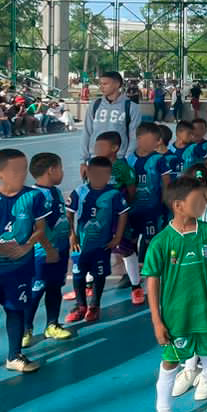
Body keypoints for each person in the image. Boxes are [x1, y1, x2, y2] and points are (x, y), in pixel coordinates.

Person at [142, 175, 207, 412]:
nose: (203, 205)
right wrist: (157, 321)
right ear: (178, 205)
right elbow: (152, 282)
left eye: (204, 200)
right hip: (175, 318)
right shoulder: (161, 242)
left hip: (206, 313)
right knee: (170, 363)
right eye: (197, 201)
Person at [0, 148, 49, 374]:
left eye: (24, 169)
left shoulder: (35, 197)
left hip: (20, 268)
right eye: (15, 170)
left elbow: (40, 229)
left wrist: (25, 247)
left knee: (15, 311)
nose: (21, 174)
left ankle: (14, 356)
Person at [64, 156, 130, 326]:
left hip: (102, 244)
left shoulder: (113, 194)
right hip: (81, 245)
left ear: (109, 175)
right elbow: (69, 213)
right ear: (88, 172)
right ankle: (80, 306)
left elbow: (123, 214)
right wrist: (72, 234)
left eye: (104, 174)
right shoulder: (79, 192)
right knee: (78, 274)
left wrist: (117, 237)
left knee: (99, 275)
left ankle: (94, 306)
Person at [25, 152, 75, 346]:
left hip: (60, 250)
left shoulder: (55, 191)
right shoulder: (34, 196)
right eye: (60, 168)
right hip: (42, 254)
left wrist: (70, 235)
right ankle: (25, 329)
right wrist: (48, 249)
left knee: (55, 287)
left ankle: (52, 324)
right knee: (36, 290)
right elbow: (38, 228)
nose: (62, 172)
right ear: (51, 170)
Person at [124, 123, 173, 306]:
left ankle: (157, 280)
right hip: (132, 211)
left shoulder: (160, 160)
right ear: (140, 139)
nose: (155, 143)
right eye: (153, 140)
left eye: (157, 140)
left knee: (153, 244)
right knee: (129, 246)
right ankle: (135, 285)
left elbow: (167, 185)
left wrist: (168, 207)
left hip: (154, 211)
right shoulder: (128, 161)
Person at [80, 71, 138, 170]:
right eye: (100, 84)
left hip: (119, 159)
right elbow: (87, 131)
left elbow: (134, 135)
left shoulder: (131, 107)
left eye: (105, 84)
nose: (101, 87)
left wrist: (128, 159)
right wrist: (83, 160)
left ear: (117, 84)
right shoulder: (95, 105)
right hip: (95, 158)